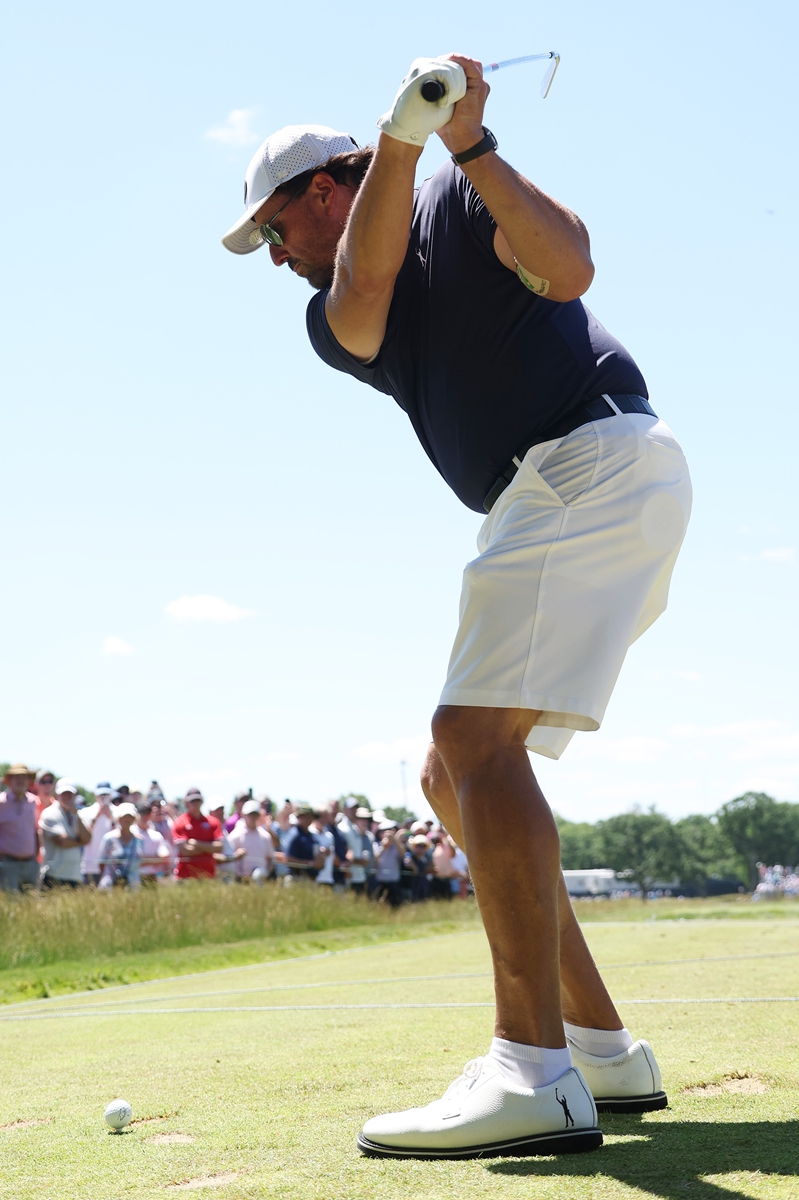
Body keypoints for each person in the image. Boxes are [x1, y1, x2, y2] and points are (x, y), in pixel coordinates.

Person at [221, 51, 685, 1159]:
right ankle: (603, 1049)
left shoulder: (454, 194)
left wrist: (465, 142)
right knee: (453, 772)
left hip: (588, 461)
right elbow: (369, 296)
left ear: (319, 193)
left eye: (275, 231)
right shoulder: (333, 312)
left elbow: (568, 270)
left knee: (470, 742)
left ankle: (531, 1072)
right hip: (569, 484)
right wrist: (403, 136)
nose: (275, 256)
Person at [39, 779, 91, 888]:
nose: (67, 797)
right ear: (57, 795)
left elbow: (87, 838)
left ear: (75, 795)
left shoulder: (77, 814)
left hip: (75, 876)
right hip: (53, 877)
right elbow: (62, 841)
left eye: (70, 794)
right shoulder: (50, 813)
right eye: (64, 794)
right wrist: (80, 842)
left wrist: (76, 815)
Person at [0, 764, 40, 892]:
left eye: (24, 777)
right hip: (7, 865)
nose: (20, 780)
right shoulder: (1, 803)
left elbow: (36, 831)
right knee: (11, 907)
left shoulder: (34, 802)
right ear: (10, 780)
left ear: (29, 781)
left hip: (31, 865)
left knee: (31, 907)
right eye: (17, 777)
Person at [172, 788, 223, 880]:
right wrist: (209, 849)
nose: (195, 803)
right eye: (192, 800)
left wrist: (196, 843)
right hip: (185, 876)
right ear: (186, 803)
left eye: (198, 800)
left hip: (208, 875)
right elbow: (185, 851)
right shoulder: (179, 822)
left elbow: (219, 847)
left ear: (202, 801)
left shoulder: (213, 822)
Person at [98, 802, 147, 890]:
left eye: (130, 817)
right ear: (119, 818)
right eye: (124, 816)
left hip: (133, 885)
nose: (127, 819)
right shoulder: (109, 838)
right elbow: (101, 862)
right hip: (110, 886)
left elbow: (140, 861)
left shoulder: (140, 839)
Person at [229, 799, 275, 884]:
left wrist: (267, 873)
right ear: (243, 815)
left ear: (258, 815)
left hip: (261, 881)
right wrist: (235, 856)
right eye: (249, 814)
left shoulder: (265, 836)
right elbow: (227, 857)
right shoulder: (235, 835)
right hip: (240, 880)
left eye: (255, 814)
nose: (252, 817)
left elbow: (271, 859)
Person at [80, 785, 117, 885]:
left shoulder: (118, 812)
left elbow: (120, 835)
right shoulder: (85, 812)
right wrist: (96, 816)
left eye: (106, 794)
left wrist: (111, 817)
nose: (103, 797)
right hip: (90, 865)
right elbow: (85, 836)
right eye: (101, 794)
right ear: (95, 795)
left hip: (112, 866)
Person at [284, 804, 324, 881]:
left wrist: (321, 860)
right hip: (296, 878)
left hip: (311, 879)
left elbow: (317, 860)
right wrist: (311, 863)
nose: (308, 819)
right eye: (305, 816)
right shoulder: (294, 835)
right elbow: (288, 860)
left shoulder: (313, 837)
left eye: (310, 816)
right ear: (299, 817)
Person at [342, 805, 375, 896]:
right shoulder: (350, 833)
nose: (364, 821)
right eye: (361, 818)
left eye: (366, 819)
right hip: (352, 876)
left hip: (367, 876)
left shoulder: (370, 837)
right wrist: (360, 861)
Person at [135, 800, 171, 883]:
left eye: (148, 812)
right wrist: (154, 859)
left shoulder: (156, 835)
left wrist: (142, 860)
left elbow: (164, 858)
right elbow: (131, 861)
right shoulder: (131, 833)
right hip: (134, 876)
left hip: (152, 877)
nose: (145, 816)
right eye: (142, 812)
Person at [372, 822, 404, 908]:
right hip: (380, 880)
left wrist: (394, 840)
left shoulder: (396, 846)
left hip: (394, 881)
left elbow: (403, 854)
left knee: (395, 905)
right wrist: (383, 847)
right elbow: (374, 859)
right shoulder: (376, 844)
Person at [403, 834, 433, 903]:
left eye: (423, 846)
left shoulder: (425, 859)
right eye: (418, 846)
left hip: (422, 891)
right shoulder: (409, 857)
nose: (421, 849)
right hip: (410, 890)